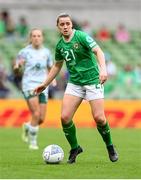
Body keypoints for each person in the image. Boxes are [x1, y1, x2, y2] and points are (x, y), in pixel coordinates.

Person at [34, 13, 118, 163]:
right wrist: (45, 83)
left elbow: (99, 51)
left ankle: (110, 146)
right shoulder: (60, 45)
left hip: (93, 80)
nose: (65, 26)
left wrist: (103, 70)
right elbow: (57, 66)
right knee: (65, 118)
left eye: (67, 23)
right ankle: (75, 148)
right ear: (58, 27)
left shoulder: (82, 37)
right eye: (62, 24)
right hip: (75, 83)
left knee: (99, 118)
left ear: (71, 24)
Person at [14, 28, 55, 150]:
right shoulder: (24, 52)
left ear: (42, 38)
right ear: (30, 38)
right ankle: (33, 142)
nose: (36, 38)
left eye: (39, 36)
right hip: (29, 84)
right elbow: (16, 69)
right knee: (36, 114)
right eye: (34, 36)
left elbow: (50, 67)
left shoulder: (47, 52)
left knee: (41, 119)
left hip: (43, 85)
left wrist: (52, 78)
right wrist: (18, 66)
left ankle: (27, 126)